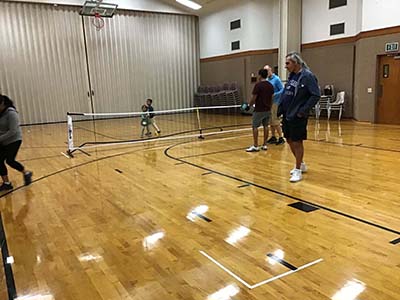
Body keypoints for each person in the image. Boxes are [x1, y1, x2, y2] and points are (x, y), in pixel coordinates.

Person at [278, 52, 320, 182]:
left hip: (297, 115)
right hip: (287, 114)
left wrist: (303, 110)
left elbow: (315, 95)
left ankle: (297, 170)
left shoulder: (307, 76)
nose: (285, 66)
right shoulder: (292, 76)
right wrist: (280, 108)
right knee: (289, 140)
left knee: (297, 142)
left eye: (287, 63)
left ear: (295, 63)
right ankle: (300, 164)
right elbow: (287, 93)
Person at [0, 94, 32, 191]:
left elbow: (13, 131)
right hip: (2, 140)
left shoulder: (11, 113)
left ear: (2, 103)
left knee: (10, 160)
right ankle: (6, 183)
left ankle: (26, 173)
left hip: (14, 140)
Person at [246, 69, 274, 152]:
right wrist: (270, 107)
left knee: (255, 126)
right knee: (266, 126)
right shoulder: (270, 85)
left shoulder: (258, 85)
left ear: (260, 75)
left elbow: (254, 98)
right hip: (267, 109)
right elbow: (272, 98)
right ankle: (264, 145)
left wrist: (249, 106)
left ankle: (255, 145)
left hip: (259, 109)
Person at [264, 65, 285, 145]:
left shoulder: (276, 79)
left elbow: (282, 90)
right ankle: (273, 136)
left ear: (271, 70)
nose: (266, 72)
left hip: (276, 102)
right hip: (269, 103)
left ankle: (281, 137)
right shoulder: (267, 80)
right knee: (271, 121)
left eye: (267, 70)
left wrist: (274, 95)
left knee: (275, 120)